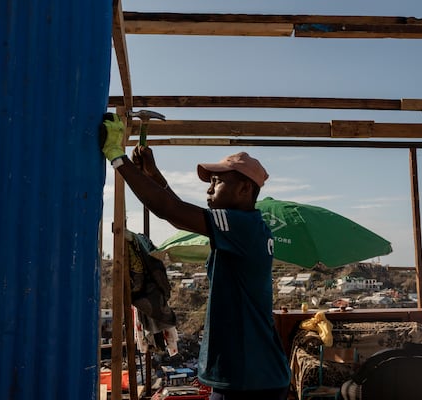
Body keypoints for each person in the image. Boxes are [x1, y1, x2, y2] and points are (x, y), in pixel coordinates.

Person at [100, 113, 291, 400]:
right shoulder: (246, 227)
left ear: (244, 189)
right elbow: (178, 211)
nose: (209, 188)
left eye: (217, 181)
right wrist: (152, 175)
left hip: (248, 380)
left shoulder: (242, 225)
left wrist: (118, 158)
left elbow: (170, 211)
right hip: (254, 376)